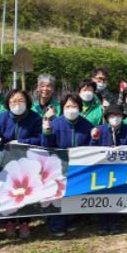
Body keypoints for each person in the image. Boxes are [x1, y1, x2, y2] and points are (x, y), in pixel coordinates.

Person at [0, 89, 42, 239]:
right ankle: (9, 221)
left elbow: (40, 139)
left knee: (27, 190)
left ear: (27, 102)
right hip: (6, 159)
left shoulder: (35, 118)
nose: (16, 104)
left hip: (27, 159)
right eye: (13, 101)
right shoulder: (3, 117)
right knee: (7, 190)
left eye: (20, 101)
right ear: (8, 103)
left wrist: (21, 142)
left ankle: (24, 222)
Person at [42, 94, 94, 237]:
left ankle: (70, 221)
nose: (71, 109)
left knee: (74, 194)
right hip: (58, 166)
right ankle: (56, 225)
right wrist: (46, 132)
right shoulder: (56, 124)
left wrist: (94, 138)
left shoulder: (87, 125)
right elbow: (46, 147)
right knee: (58, 195)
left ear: (80, 108)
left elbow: (92, 147)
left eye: (74, 106)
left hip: (79, 167)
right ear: (62, 108)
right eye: (68, 106)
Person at [90, 104, 127, 235]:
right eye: (112, 115)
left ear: (122, 117)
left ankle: (115, 222)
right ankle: (103, 223)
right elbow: (90, 150)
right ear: (107, 117)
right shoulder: (99, 130)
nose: (115, 118)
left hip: (120, 169)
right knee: (102, 195)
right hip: (102, 170)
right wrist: (94, 139)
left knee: (117, 195)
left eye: (118, 115)